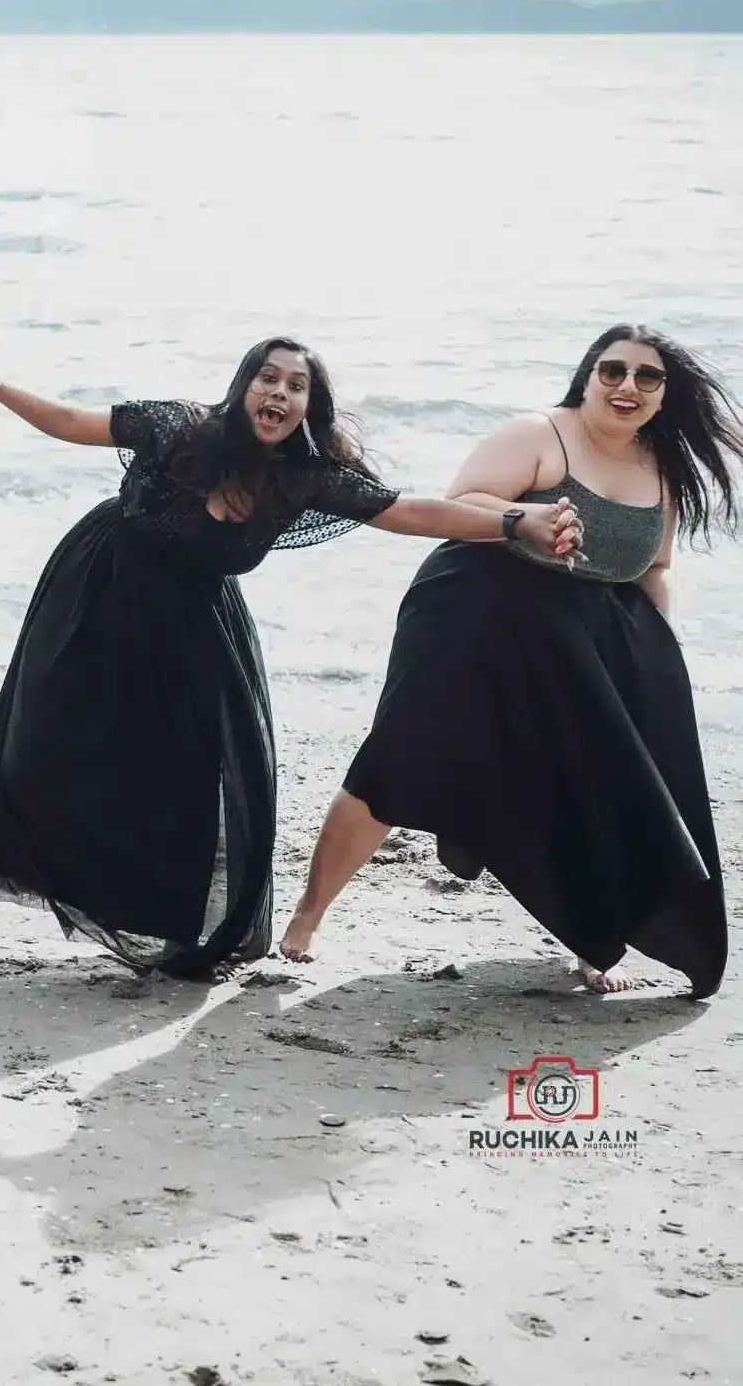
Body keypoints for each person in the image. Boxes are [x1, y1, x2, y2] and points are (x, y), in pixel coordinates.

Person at [0, 337, 582, 979]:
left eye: (297, 387)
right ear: (245, 385)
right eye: (269, 378)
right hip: (98, 591)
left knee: (197, 769)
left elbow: (407, 512)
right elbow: (69, 422)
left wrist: (513, 523)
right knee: (42, 736)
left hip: (191, 619)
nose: (280, 392)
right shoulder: (177, 427)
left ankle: (176, 921)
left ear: (308, 409)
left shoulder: (301, 478)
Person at [281, 327, 741, 998]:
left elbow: (655, 571)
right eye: (611, 370)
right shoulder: (539, 436)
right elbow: (461, 504)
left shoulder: (660, 470)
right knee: (400, 760)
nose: (627, 386)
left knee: (593, 785)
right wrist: (527, 514)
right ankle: (307, 916)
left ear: (664, 395)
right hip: (474, 614)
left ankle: (595, 940)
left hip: (575, 641)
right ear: (586, 377)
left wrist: (654, 669)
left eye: (647, 377)